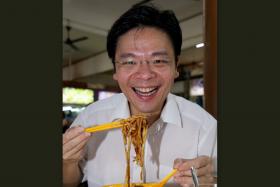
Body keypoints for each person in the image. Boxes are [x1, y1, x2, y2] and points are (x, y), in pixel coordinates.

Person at [63, 4, 217, 187]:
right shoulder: (91, 119)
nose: (145, 74)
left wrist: (211, 181)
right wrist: (67, 162)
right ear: (115, 70)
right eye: (129, 62)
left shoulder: (204, 127)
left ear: (176, 67)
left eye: (158, 61)